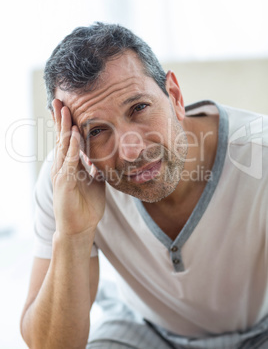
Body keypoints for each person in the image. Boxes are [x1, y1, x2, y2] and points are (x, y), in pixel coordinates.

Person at [20, 23, 268, 349]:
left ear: (175, 97)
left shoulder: (259, 154)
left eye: (139, 108)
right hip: (141, 329)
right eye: (96, 131)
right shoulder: (67, 182)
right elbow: (51, 346)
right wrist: (73, 234)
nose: (131, 150)